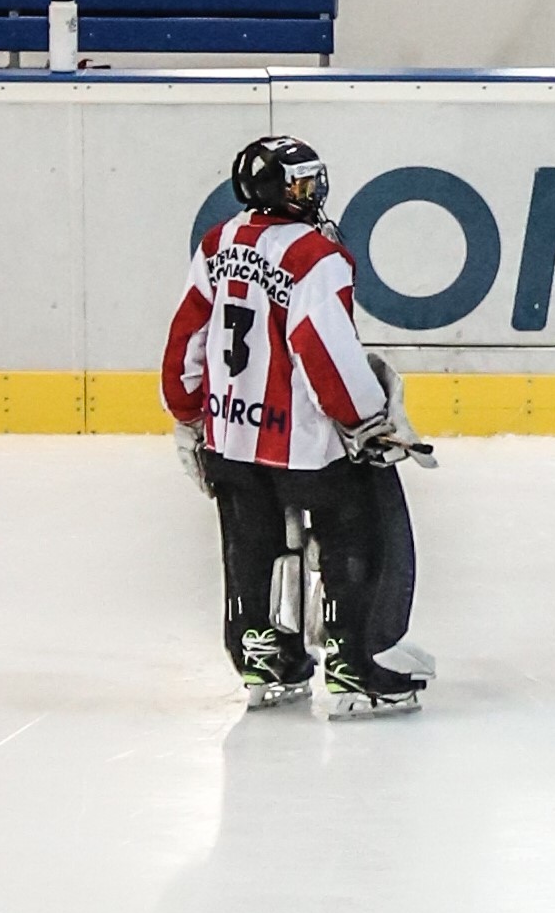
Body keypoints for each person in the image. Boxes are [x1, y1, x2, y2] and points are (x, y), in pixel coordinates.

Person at [158, 132, 427, 715]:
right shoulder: (314, 256)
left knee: (246, 543)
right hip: (303, 447)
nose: (311, 193)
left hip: (230, 439)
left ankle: (260, 657)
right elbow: (323, 349)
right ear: (272, 188)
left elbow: (186, 339)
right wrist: (366, 421)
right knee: (354, 532)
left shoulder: (217, 242)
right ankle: (352, 666)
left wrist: (187, 414)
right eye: (299, 183)